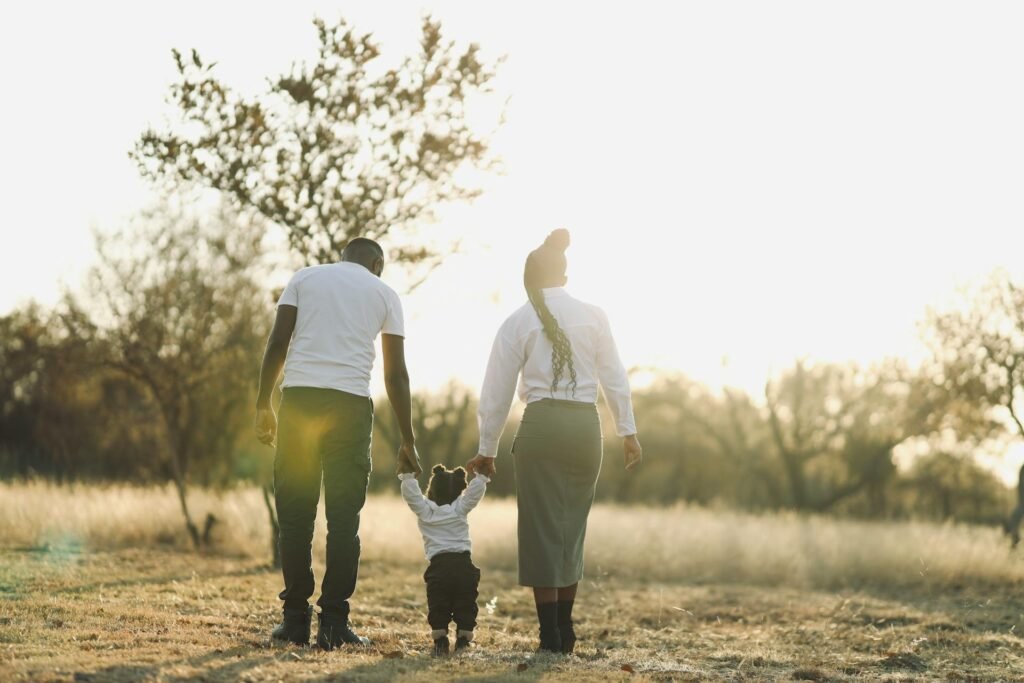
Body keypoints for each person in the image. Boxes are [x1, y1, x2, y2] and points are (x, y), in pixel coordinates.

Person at [468, 228, 642, 654]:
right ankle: (566, 631)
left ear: (530, 277)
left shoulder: (517, 321)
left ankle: (550, 634)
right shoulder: (594, 315)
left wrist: (486, 448)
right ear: (564, 275)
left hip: (542, 426)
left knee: (540, 529)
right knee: (571, 528)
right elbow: (615, 377)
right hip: (586, 429)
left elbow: (496, 391)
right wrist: (628, 431)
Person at [254, 237, 421, 650]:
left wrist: (263, 403)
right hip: (349, 410)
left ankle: (294, 621)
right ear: (377, 263)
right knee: (344, 521)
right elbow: (395, 374)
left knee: (294, 517)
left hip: (299, 403)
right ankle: (332, 624)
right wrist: (407, 438)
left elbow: (278, 343)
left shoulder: (304, 278)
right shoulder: (384, 294)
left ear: (343, 256)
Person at [398, 463, 489, 657]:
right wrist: (480, 477)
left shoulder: (426, 511)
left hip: (438, 567)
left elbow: (412, 497)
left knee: (438, 603)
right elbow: (473, 495)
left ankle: (440, 639)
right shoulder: (460, 508)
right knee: (466, 602)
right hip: (463, 565)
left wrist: (408, 477)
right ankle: (464, 638)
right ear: (458, 491)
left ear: (431, 488)